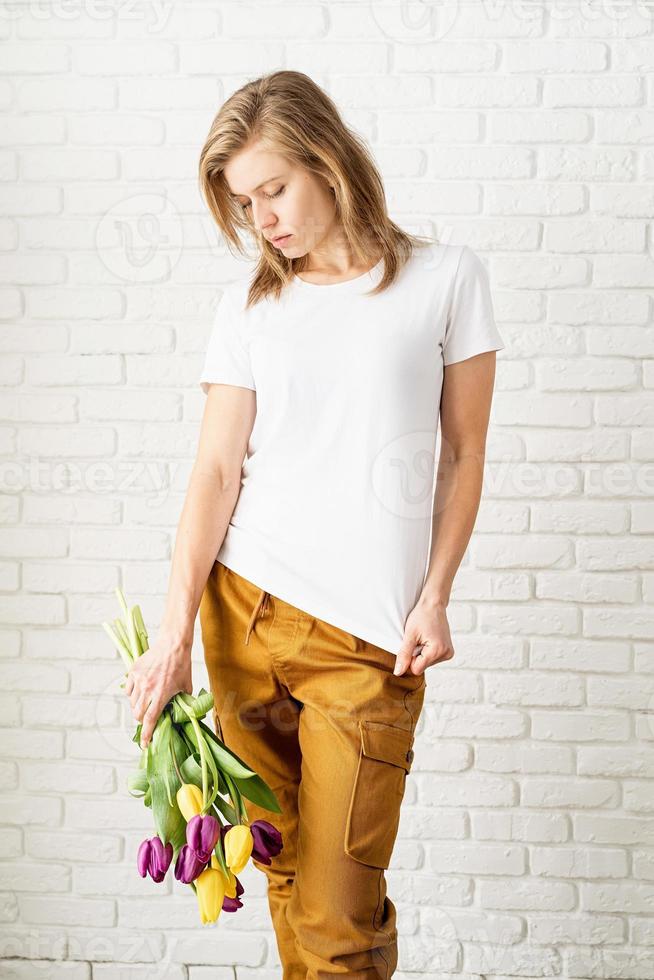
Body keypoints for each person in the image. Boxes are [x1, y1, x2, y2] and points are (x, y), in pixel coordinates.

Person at [125, 70, 504, 978]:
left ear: (327, 161)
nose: (263, 220)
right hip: (244, 613)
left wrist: (437, 596)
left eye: (273, 190)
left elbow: (463, 455)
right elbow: (216, 471)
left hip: (370, 643)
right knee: (286, 872)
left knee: (340, 909)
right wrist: (174, 631)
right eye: (244, 203)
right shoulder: (252, 307)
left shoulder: (446, 280)